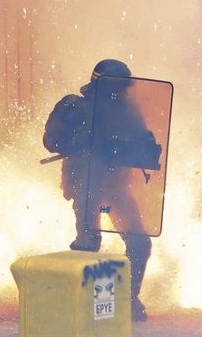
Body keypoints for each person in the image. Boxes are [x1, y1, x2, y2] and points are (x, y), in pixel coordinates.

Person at [43, 59, 157, 322]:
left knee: (140, 242)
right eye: (113, 89)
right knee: (88, 245)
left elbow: (141, 143)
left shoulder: (128, 112)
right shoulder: (74, 107)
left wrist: (147, 147)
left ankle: (127, 299)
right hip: (86, 187)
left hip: (116, 188)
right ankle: (79, 305)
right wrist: (76, 141)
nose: (118, 95)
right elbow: (51, 140)